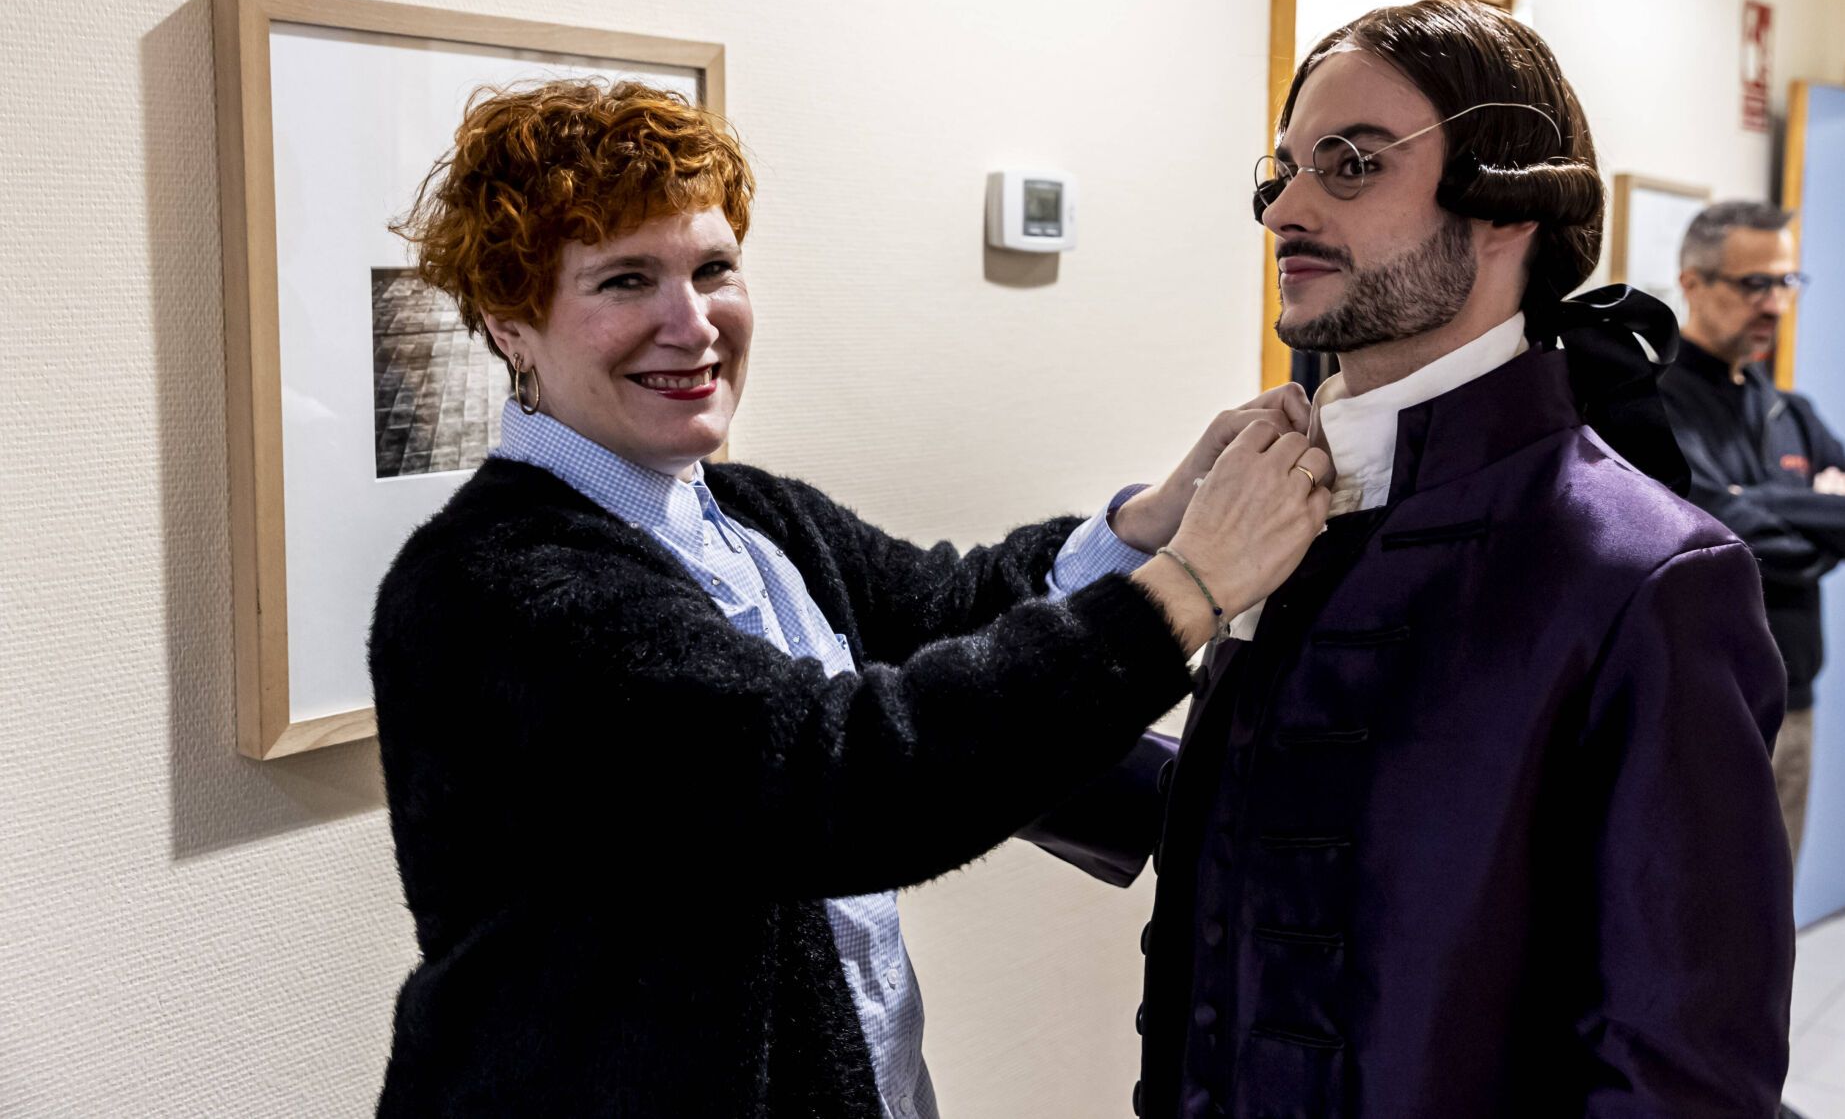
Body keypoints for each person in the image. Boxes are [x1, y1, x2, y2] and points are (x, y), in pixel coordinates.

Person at [366, 79, 1334, 1118]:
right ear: (513, 322)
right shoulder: (492, 585)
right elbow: (845, 774)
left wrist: (1153, 520)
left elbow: (953, 611)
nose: (689, 324)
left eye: (712, 268)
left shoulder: (743, 511)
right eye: (624, 280)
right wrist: (1185, 588)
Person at [1033, 0, 1794, 1117]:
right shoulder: (1273, 496)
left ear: (1506, 207)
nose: (1285, 208)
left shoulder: (1650, 577)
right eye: (1282, 171)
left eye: (1348, 165)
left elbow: (1681, 1071)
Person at [1658, 201, 1845, 868]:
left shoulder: (1787, 410)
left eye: (1785, 282)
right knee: (1698, 916)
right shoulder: (1655, 405)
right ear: (1692, 283)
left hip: (1796, 704)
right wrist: (1813, 510)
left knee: (1771, 920)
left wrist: (1761, 502)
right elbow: (1720, 537)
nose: (1774, 304)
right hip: (1703, 708)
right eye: (1753, 284)